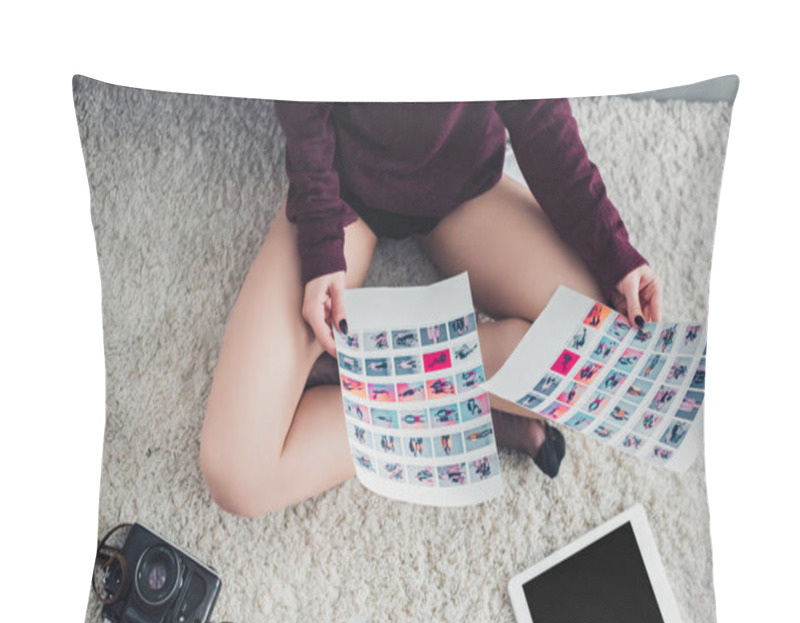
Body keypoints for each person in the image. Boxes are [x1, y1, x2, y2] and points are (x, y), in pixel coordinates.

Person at [200, 100, 662, 517]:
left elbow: (539, 113)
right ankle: (476, 403)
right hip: (343, 192)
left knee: (604, 354)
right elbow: (304, 105)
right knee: (238, 476)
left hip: (466, 186)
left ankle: (374, 373)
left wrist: (613, 251)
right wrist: (321, 242)